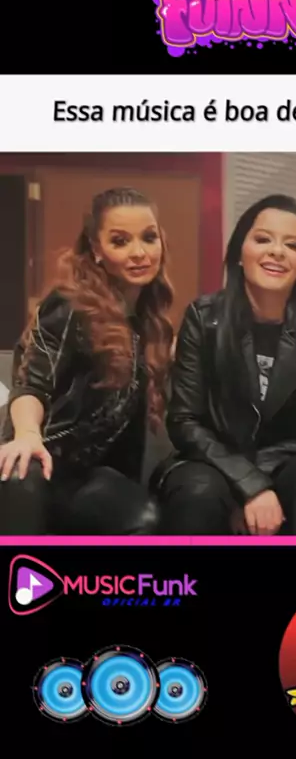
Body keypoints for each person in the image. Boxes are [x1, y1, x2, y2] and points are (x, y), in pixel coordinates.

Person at [156, 194, 296, 535]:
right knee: (199, 490)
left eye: (292, 245)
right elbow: (185, 421)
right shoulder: (203, 319)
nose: (277, 251)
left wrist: (259, 483)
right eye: (263, 239)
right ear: (239, 253)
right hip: (211, 465)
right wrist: (248, 484)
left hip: (292, 469)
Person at [0, 187, 174, 535]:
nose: (139, 252)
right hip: (45, 461)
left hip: (90, 475)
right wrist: (28, 434)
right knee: (23, 476)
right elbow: (31, 385)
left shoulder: (149, 322)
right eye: (120, 241)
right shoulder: (68, 305)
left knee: (144, 516)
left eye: (149, 237)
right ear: (96, 249)